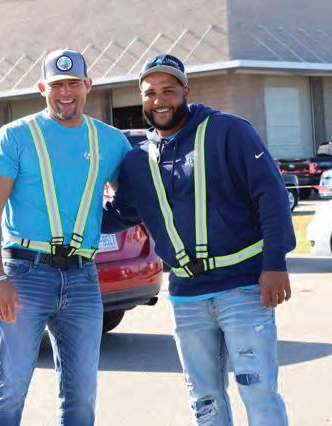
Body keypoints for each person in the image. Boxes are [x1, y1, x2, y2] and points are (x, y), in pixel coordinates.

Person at [103, 53, 296, 425]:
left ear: (186, 92)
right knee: (204, 400)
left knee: (259, 393)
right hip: (186, 296)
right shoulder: (138, 161)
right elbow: (121, 214)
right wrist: (63, 217)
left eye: (168, 91)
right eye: (150, 93)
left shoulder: (230, 132)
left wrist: (275, 263)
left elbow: (270, 195)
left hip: (243, 287)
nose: (159, 100)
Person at [0, 49, 131, 425]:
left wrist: (99, 223)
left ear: (88, 86)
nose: (66, 92)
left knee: (81, 394)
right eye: (57, 84)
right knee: (10, 388)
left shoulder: (111, 141)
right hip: (24, 276)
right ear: (42, 88)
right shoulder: (15, 136)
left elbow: (136, 202)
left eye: (74, 83)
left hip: (82, 277)